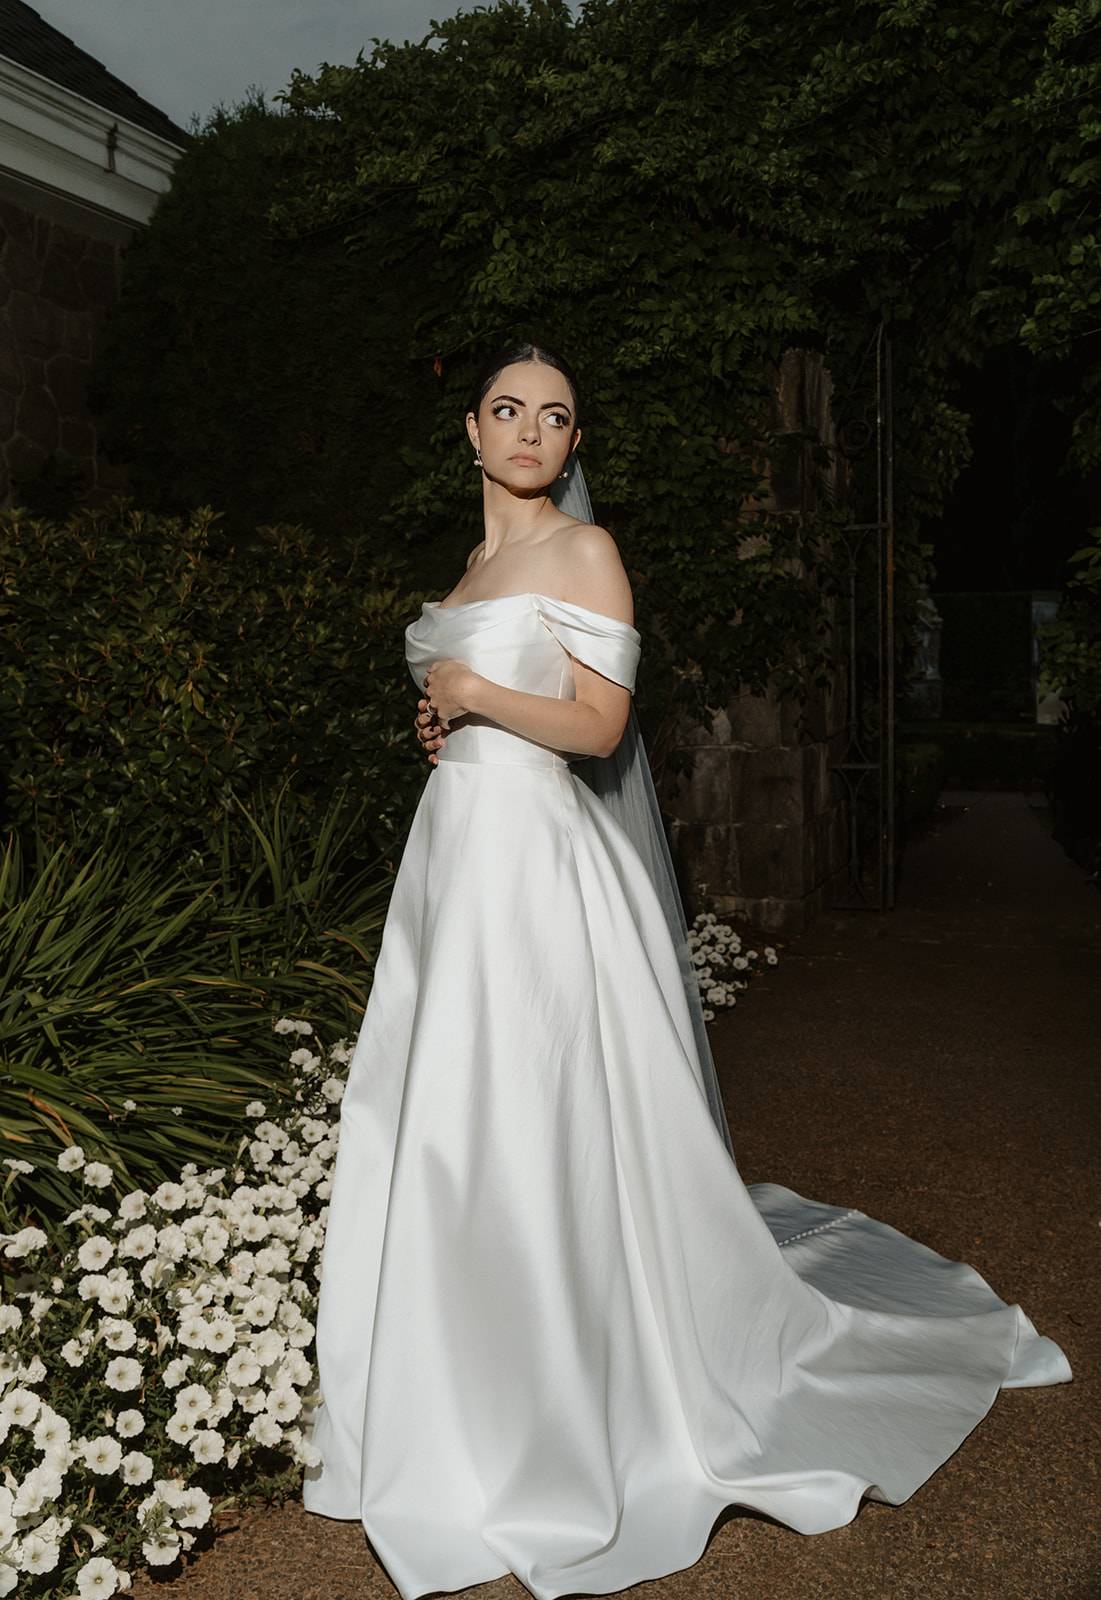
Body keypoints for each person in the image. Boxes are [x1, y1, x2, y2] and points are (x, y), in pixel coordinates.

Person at [301, 341, 1071, 1600]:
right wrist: (442, 718)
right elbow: (471, 701)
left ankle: (556, 1392)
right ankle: (452, 1368)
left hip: (535, 863)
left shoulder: (584, 554)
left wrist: (480, 693)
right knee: (443, 1115)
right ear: (472, 433)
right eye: (509, 411)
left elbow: (599, 723)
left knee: (529, 1107)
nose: (531, 432)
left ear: (573, 442)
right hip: (454, 855)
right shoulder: (482, 562)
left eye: (554, 416)